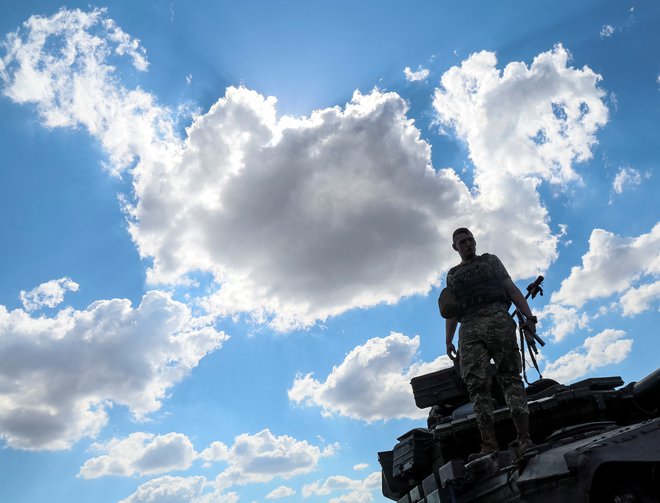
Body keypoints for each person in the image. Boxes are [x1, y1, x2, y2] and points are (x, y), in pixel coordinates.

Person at [444, 227, 537, 461]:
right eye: (462, 242)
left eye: (470, 240)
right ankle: (489, 445)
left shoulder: (491, 261)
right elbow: (451, 312)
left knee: (510, 378)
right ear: (455, 247)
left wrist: (529, 317)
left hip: (498, 319)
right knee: (477, 385)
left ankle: (524, 438)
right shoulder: (453, 275)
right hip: (470, 327)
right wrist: (448, 339)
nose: (467, 244)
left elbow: (511, 289)